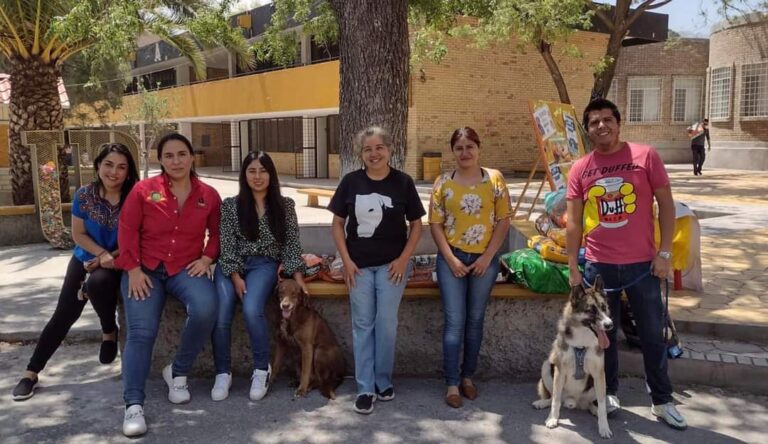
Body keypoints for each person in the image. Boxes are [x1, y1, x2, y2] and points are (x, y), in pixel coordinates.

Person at [566, 98, 686, 430]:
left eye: (607, 119)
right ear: (587, 129)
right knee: (604, 337)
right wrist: (573, 268)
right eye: (594, 122)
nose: (601, 126)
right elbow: (573, 222)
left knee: (652, 334)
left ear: (619, 123)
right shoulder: (580, 168)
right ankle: (609, 394)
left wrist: (664, 254)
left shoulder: (645, 156)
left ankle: (662, 400)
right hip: (598, 267)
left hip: (642, 267)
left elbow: (666, 206)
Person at [11, 143, 139, 401]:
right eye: (108, 165)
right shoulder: (84, 195)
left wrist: (106, 258)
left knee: (98, 283)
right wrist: (98, 255)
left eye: (121, 167)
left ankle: (108, 329)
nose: (114, 172)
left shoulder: (136, 195)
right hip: (84, 258)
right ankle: (31, 372)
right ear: (98, 165)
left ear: (129, 171)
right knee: (63, 314)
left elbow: (138, 236)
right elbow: (77, 233)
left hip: (120, 260)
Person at [116, 133, 221, 437]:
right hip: (145, 269)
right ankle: (133, 404)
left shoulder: (209, 195)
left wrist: (207, 258)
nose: (176, 161)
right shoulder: (144, 190)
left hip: (184, 268)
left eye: (182, 154)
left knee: (205, 308)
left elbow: (215, 235)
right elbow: (126, 231)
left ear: (191, 157)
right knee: (141, 332)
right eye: (169, 156)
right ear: (160, 160)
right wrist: (133, 269)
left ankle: (177, 371)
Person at [329, 126, 425, 415]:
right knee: (362, 325)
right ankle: (365, 387)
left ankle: (383, 380)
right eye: (367, 149)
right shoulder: (351, 182)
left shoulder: (403, 183)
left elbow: (417, 224)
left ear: (390, 150)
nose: (374, 153)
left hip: (391, 267)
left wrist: (403, 259)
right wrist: (346, 261)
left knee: (386, 324)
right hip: (358, 267)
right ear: (361, 154)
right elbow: (337, 223)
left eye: (379, 147)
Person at [211, 151, 307, 402]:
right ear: (244, 174)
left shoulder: (285, 206)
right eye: (252, 171)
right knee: (222, 312)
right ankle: (222, 372)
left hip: (263, 265)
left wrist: (298, 276)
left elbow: (292, 244)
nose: (257, 176)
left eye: (263, 171)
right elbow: (227, 244)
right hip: (232, 267)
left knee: (253, 308)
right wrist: (234, 277)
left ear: (271, 174)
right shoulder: (231, 205)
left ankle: (261, 368)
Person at [428, 127, 511, 409]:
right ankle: (451, 382)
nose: (465, 152)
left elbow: (503, 220)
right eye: (459, 147)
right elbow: (435, 224)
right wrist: (450, 259)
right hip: (452, 258)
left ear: (479, 148)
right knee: (454, 321)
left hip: (483, 261)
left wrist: (488, 257)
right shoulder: (443, 183)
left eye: (470, 147)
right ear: (453, 151)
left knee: (475, 320)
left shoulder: (495, 179)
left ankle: (467, 377)